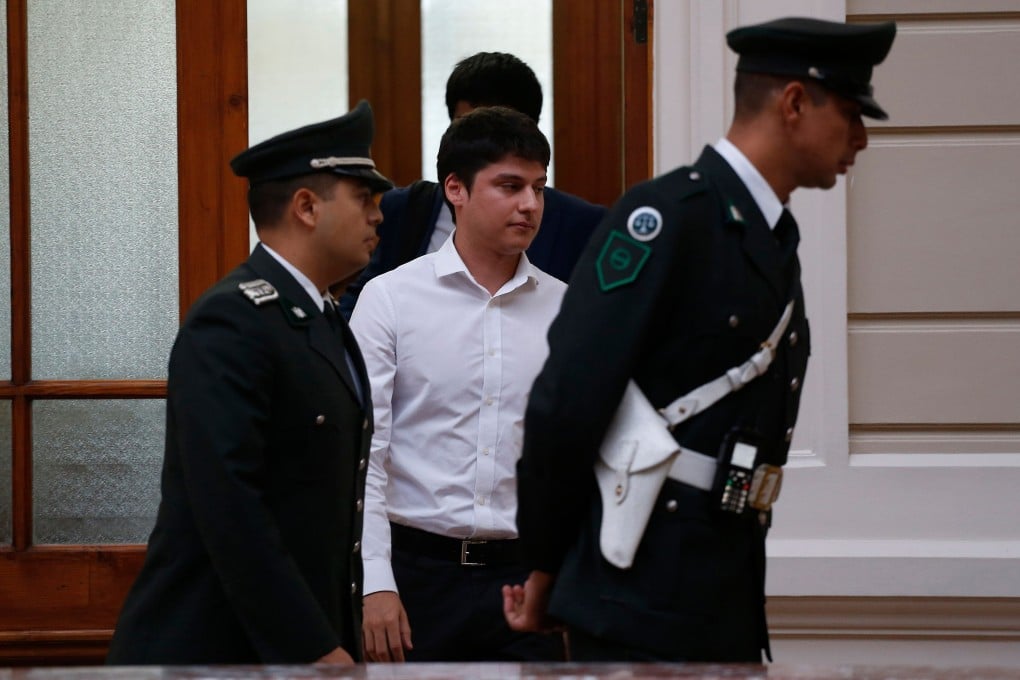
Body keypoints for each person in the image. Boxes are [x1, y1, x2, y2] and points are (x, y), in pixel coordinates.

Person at [504, 17, 897, 662]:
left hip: (718, 587)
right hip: (637, 597)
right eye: (852, 113)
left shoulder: (772, 237)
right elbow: (566, 401)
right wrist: (546, 563)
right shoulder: (666, 220)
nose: (859, 138)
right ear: (795, 103)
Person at [106, 101, 393, 665]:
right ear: (306, 207)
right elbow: (230, 507)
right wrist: (312, 648)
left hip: (289, 643)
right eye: (364, 199)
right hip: (214, 648)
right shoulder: (233, 320)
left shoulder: (320, 316)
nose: (378, 216)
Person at [350, 106, 566, 662]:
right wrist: (375, 581)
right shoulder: (390, 299)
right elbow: (362, 454)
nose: (530, 204)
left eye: (539, 188)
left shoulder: (568, 308)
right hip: (416, 578)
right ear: (456, 190)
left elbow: (577, 456)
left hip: (526, 582)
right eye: (510, 186)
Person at [338, 51, 605, 318]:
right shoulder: (405, 210)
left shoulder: (580, 225)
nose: (482, 143)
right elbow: (358, 309)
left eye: (501, 133)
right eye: (468, 126)